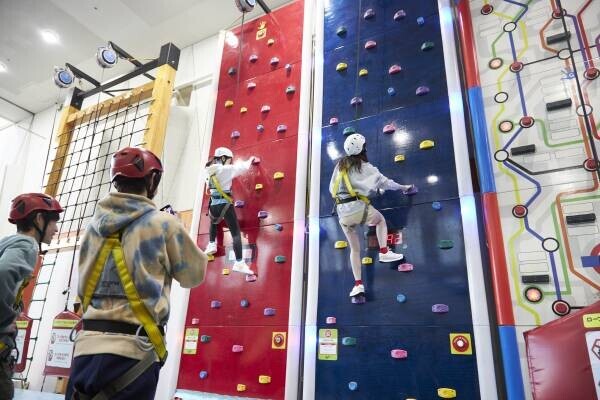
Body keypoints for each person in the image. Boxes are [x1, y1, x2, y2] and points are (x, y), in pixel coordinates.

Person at [66, 147, 207, 400]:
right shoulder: (163, 223)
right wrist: (179, 229)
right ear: (152, 180)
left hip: (85, 350)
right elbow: (193, 276)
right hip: (133, 355)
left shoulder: (93, 228)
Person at [330, 133, 415, 298]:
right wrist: (404, 187)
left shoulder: (340, 166)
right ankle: (384, 251)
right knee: (380, 220)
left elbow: (333, 188)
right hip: (357, 209)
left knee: (354, 249)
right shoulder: (365, 167)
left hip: (342, 213)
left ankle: (358, 285)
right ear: (363, 148)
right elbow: (386, 183)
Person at [0, 193, 63, 400]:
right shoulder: (28, 246)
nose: (55, 229)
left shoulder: (7, 243)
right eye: (53, 221)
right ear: (38, 219)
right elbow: (4, 273)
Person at [204, 147, 256, 275]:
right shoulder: (225, 170)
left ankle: (211, 244)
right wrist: (250, 159)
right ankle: (239, 263)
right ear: (223, 158)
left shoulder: (207, 170)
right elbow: (242, 167)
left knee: (214, 223)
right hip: (224, 204)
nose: (230, 162)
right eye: (229, 160)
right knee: (236, 233)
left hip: (213, 205)